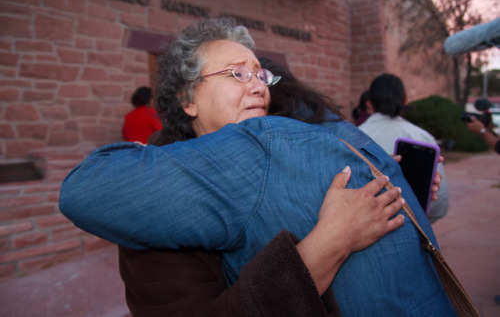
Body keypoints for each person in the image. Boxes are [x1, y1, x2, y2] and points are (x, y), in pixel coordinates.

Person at [60, 18, 457, 316]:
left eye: (260, 74)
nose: (257, 87)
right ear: (187, 99)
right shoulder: (152, 199)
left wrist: (390, 185)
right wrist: (330, 243)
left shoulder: (293, 143)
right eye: (236, 74)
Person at [359, 73, 449, 223]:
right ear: (405, 99)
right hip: (414, 223)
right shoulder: (423, 137)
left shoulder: (353, 137)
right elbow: (439, 200)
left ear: (369, 103)